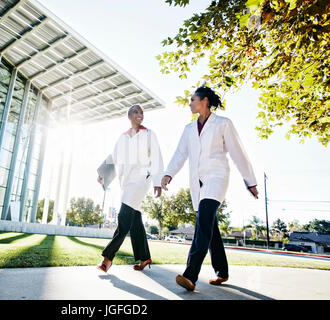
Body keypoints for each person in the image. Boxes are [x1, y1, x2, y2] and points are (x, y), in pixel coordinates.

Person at [161, 86, 258, 291]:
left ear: (205, 101)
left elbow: (238, 152)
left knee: (203, 222)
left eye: (193, 99)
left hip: (217, 177)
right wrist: (168, 174)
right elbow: (180, 154)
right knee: (210, 228)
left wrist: (250, 180)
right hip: (197, 182)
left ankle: (190, 275)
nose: (190, 103)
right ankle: (222, 271)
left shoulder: (223, 124)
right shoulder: (188, 129)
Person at [97, 104, 164, 273]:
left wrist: (158, 181)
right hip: (126, 182)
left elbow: (156, 156)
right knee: (135, 220)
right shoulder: (122, 138)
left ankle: (108, 258)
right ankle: (144, 256)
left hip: (142, 179)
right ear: (129, 116)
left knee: (124, 217)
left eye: (141, 112)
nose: (139, 114)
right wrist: (103, 175)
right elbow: (113, 158)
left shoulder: (149, 134)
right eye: (136, 112)